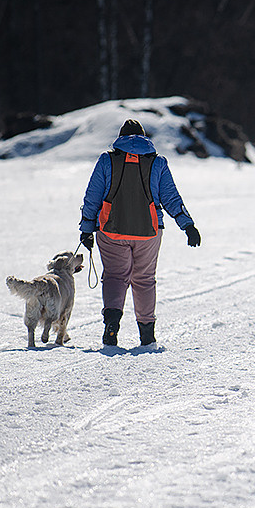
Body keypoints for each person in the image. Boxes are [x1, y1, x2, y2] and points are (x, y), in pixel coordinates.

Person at [79, 119, 201, 347]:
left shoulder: (107, 160)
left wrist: (86, 229)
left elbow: (92, 197)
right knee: (144, 280)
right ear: (144, 138)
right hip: (149, 231)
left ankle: (112, 325)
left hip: (110, 230)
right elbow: (171, 198)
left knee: (115, 276)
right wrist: (187, 225)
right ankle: (147, 334)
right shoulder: (157, 162)